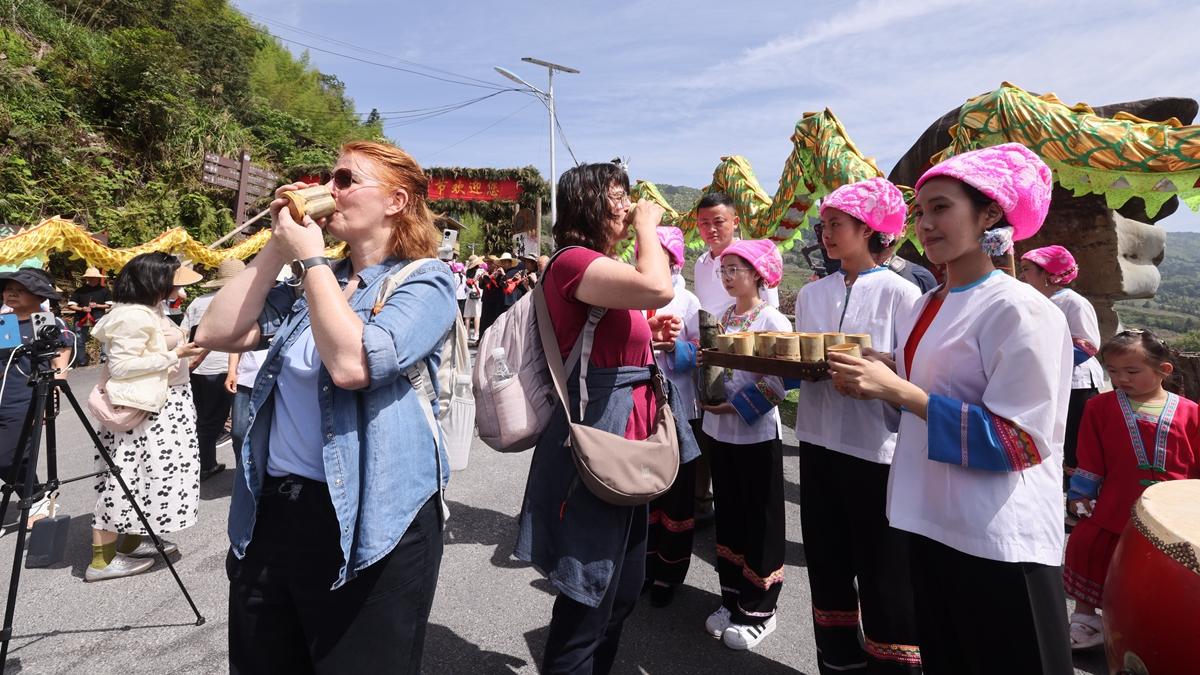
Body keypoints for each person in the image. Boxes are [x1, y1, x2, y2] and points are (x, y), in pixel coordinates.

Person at [196, 139, 456, 674]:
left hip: (372, 519)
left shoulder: (426, 280)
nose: (328, 190)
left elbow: (353, 365)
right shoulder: (317, 282)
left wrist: (311, 257)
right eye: (327, 178)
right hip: (274, 511)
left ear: (396, 202)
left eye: (344, 180)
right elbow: (217, 331)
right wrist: (277, 248)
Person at [828, 143, 1073, 674]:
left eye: (941, 208)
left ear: (989, 215)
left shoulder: (1020, 308)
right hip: (929, 519)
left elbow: (1020, 441)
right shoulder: (926, 304)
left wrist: (898, 391)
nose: (925, 224)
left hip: (997, 537)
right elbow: (935, 379)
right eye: (919, 212)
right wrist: (884, 368)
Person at [513, 162, 697, 674]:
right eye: (617, 196)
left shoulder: (600, 266)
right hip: (599, 447)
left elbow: (602, 340)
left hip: (629, 446)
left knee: (622, 593)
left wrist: (647, 335)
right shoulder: (574, 261)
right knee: (587, 601)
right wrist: (647, 225)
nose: (627, 205)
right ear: (588, 203)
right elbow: (658, 285)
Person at [794, 178, 923, 673]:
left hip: (877, 448)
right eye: (824, 225)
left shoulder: (902, 293)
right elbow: (800, 359)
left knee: (882, 566)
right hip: (816, 438)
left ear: (869, 229)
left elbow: (915, 373)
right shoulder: (812, 294)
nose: (826, 233)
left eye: (837, 224)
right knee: (826, 557)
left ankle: (893, 664)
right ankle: (837, 660)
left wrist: (882, 367)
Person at [1063, 329, 1200, 649]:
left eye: (1132, 371)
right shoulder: (1099, 407)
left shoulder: (1191, 413)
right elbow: (1090, 458)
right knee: (1089, 547)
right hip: (1115, 506)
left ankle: (1150, 630)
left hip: (1171, 514)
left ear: (1163, 370)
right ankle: (1086, 620)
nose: (1120, 378)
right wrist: (1080, 496)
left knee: (1164, 571)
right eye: (1112, 371)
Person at [89, 252, 204, 582]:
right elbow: (122, 367)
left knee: (147, 478)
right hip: (148, 411)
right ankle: (102, 560)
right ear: (155, 283)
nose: (179, 291)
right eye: (173, 284)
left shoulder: (150, 309)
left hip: (164, 405)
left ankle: (131, 540)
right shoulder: (132, 316)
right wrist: (176, 353)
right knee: (125, 478)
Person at [699, 239, 791, 651]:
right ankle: (732, 596)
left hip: (755, 434)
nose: (727, 276)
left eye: (735, 269)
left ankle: (760, 610)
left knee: (761, 520)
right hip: (721, 434)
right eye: (724, 269)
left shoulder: (773, 320)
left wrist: (734, 407)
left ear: (758, 274)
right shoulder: (721, 317)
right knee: (731, 515)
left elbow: (780, 381)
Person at [643, 225, 703, 608]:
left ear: (673, 260)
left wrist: (674, 348)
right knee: (647, 489)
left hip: (679, 407)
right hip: (643, 406)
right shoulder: (633, 295)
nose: (645, 257)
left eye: (656, 251)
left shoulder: (687, 301)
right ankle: (644, 566)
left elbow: (701, 351)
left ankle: (669, 573)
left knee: (677, 495)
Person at [1020, 245, 1104, 498]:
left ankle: (1077, 498)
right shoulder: (1036, 300)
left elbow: (1087, 345)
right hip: (1049, 380)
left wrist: (1044, 360)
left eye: (1027, 270)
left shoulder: (1073, 302)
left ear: (1048, 274)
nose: (1022, 276)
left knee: (1074, 441)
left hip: (1077, 383)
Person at [0, 268, 72, 534]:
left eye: (20, 290)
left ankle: (37, 496)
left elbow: (61, 353)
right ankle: (34, 496)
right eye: (8, 289)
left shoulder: (45, 321)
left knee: (7, 456)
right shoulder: (4, 321)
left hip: (27, 397)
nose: (11, 293)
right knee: (12, 455)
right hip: (3, 393)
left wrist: (55, 388)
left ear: (38, 295)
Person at [181, 258, 245, 482]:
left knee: (203, 419)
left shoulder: (197, 301)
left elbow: (184, 332)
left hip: (196, 368)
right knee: (218, 422)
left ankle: (205, 462)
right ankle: (206, 465)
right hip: (222, 366)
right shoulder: (237, 301)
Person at [67, 267, 112, 367]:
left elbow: (109, 305)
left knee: (104, 337)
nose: (91, 279)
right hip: (81, 317)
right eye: (89, 277)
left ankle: (104, 358)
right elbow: (71, 305)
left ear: (98, 278)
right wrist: (82, 308)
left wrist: (97, 305)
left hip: (99, 316)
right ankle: (81, 360)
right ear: (86, 278)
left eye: (93, 277)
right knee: (79, 339)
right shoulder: (80, 291)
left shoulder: (104, 290)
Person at [462, 257, 485, 341]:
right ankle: (476, 334)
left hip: (469, 293)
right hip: (478, 293)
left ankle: (466, 334)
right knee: (477, 314)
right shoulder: (480, 271)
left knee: (467, 315)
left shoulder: (468, 271)